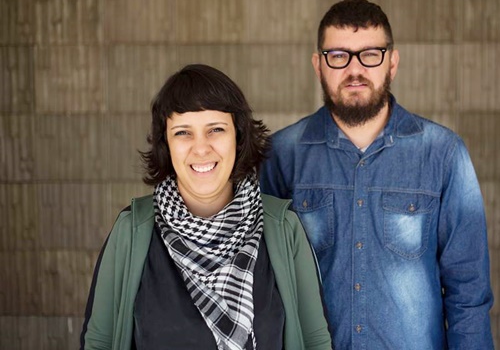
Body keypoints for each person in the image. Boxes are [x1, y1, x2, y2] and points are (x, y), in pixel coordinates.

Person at [260, 0, 494, 349]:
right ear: (318, 65)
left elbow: (469, 293)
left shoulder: (443, 153)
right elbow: (264, 286)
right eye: (338, 55)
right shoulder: (281, 155)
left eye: (370, 54)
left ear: (392, 63)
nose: (354, 69)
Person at [80, 64, 332, 350]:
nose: (201, 148)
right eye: (183, 133)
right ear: (166, 144)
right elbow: (98, 342)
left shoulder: (283, 227)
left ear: (238, 137)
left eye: (215, 129)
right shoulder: (132, 231)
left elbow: (315, 341)